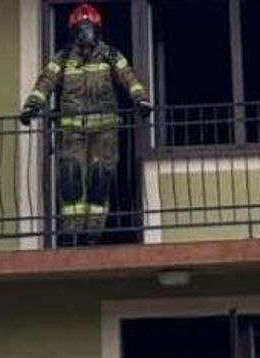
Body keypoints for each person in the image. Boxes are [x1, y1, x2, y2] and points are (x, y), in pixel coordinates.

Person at [19, 3, 152, 243]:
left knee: (99, 181)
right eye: (81, 28)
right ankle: (72, 233)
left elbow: (128, 78)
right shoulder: (62, 58)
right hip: (72, 132)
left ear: (97, 30)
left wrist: (141, 100)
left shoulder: (111, 55)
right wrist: (32, 106)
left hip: (104, 132)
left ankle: (93, 233)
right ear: (73, 31)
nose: (85, 33)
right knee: (71, 180)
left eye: (89, 28)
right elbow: (45, 82)